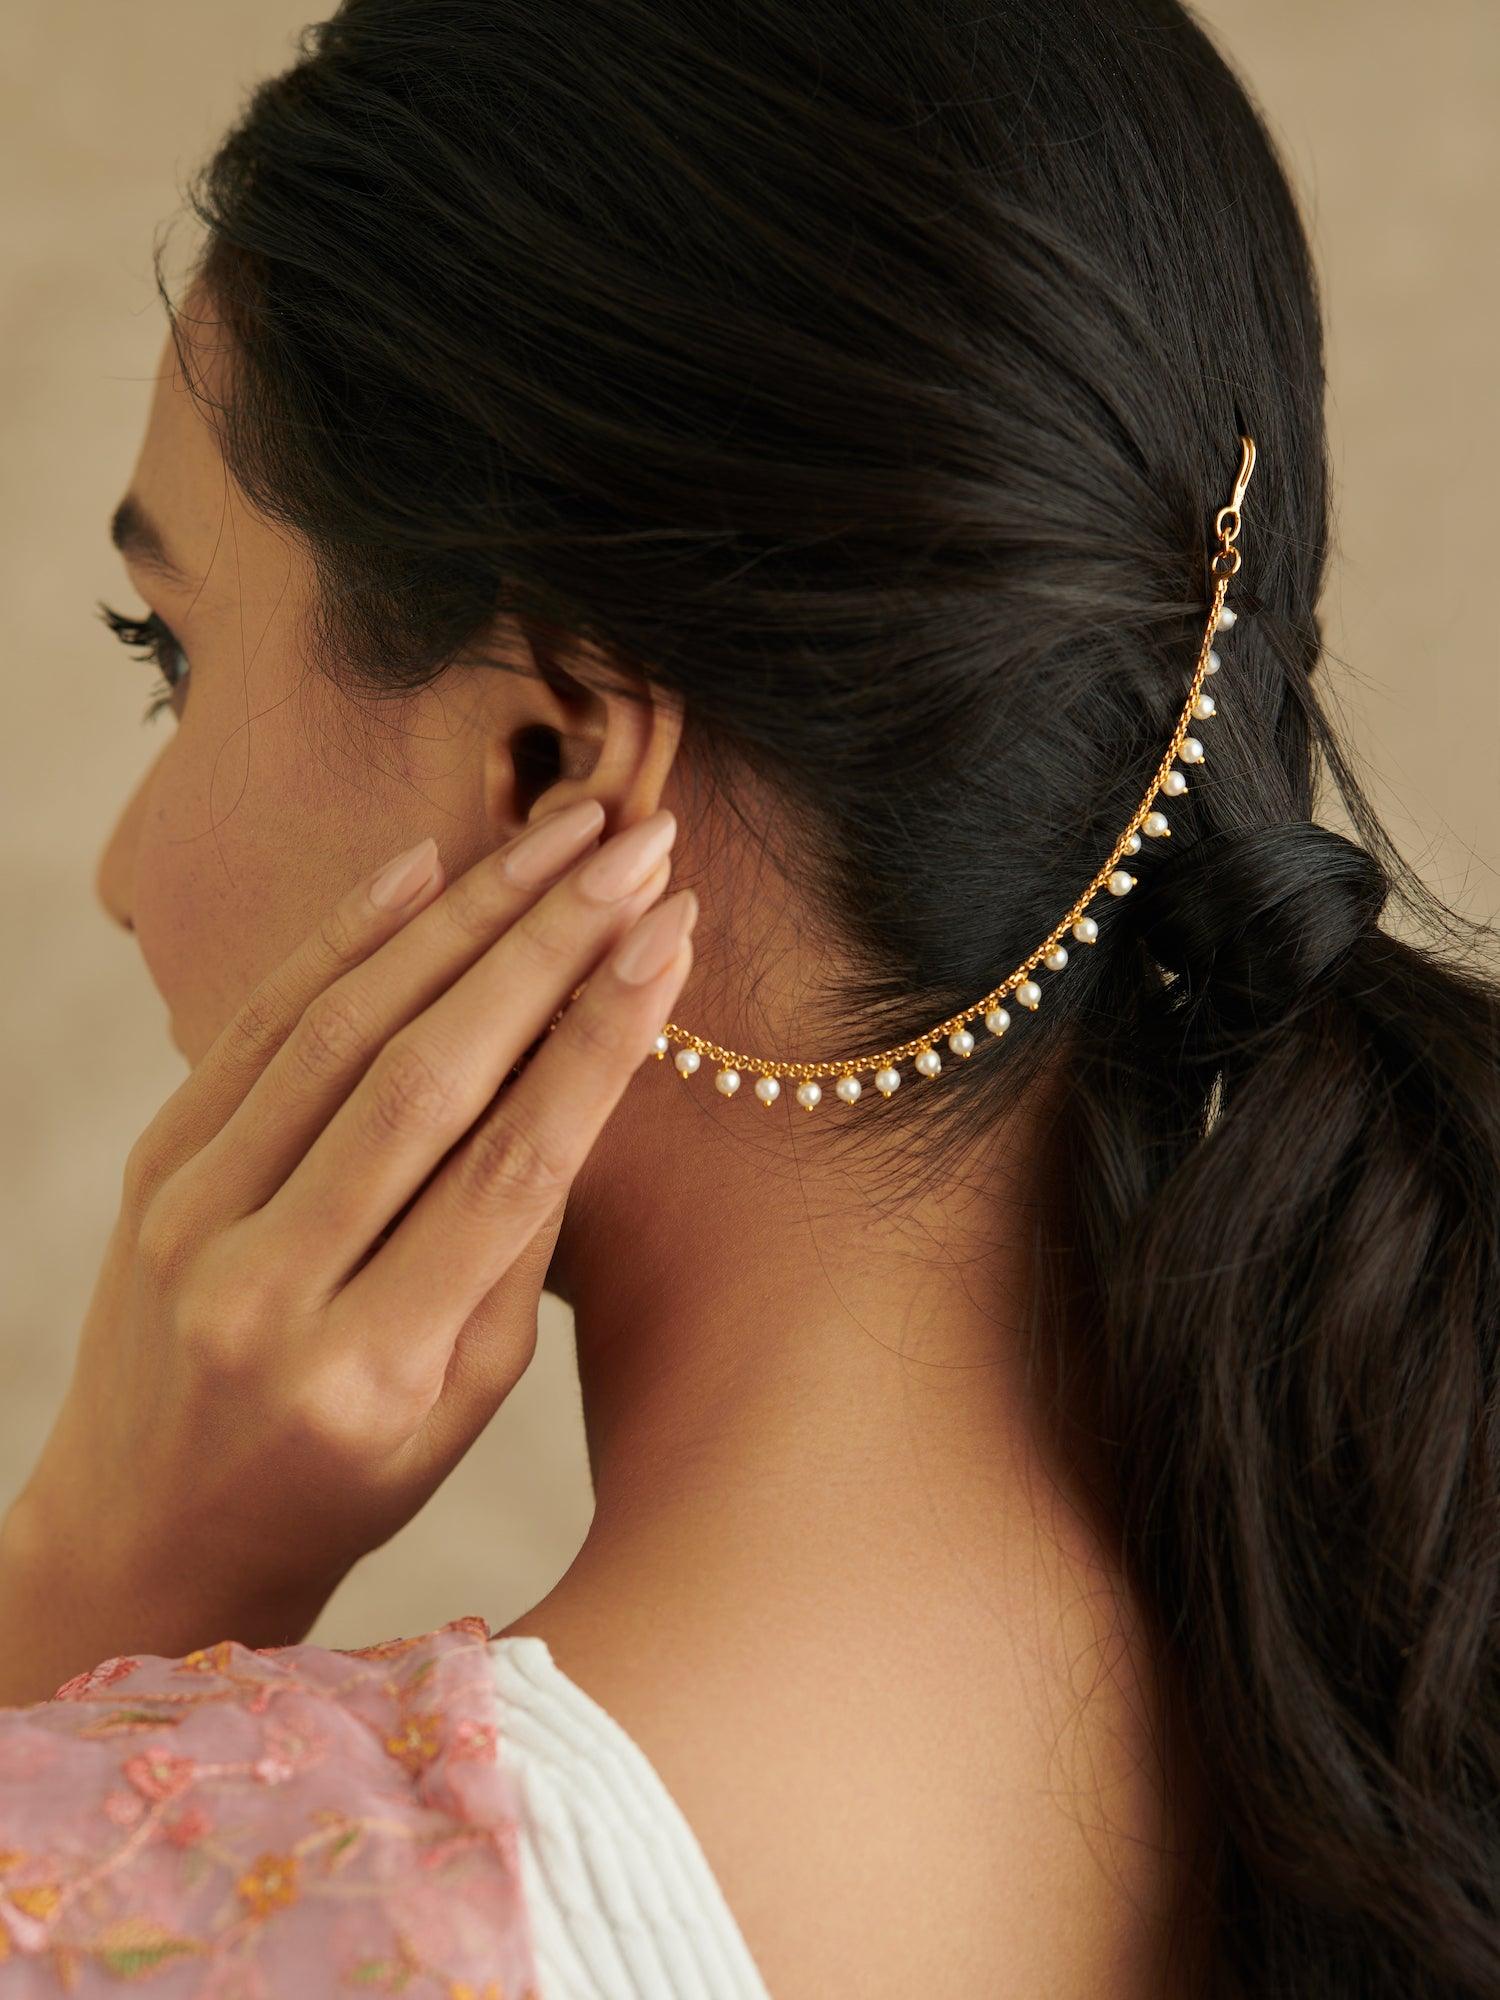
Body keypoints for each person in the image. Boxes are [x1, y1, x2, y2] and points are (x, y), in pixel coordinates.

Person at [1, 3, 1496, 1996]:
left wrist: (98, 1580)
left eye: (173, 657)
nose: (122, 871)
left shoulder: (228, 1911)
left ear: (550, 770)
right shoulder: (1383, 1686)